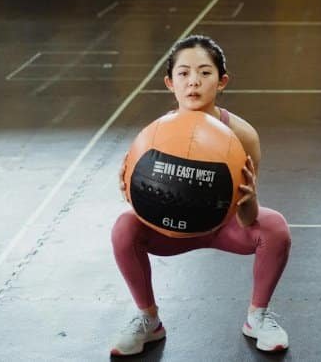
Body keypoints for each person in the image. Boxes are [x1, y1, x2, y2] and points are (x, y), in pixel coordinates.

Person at [110, 35, 292, 356]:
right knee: (124, 226)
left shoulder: (243, 135)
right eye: (183, 73)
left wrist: (248, 199)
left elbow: (248, 218)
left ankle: (257, 318)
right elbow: (143, 210)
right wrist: (134, 197)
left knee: (274, 226)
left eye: (205, 73)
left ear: (222, 82)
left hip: (224, 225)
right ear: (170, 83)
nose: (193, 82)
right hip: (171, 230)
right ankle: (148, 321)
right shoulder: (155, 135)